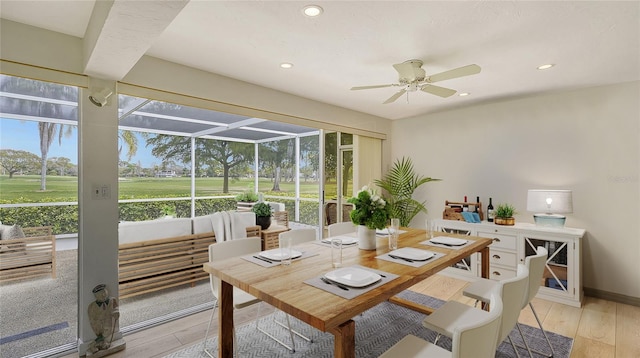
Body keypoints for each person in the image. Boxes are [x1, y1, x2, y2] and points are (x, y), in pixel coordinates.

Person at [87, 284, 120, 354]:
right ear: (96, 296)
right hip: (99, 323)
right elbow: (92, 317)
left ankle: (97, 344)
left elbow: (115, 308)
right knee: (102, 334)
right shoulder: (92, 306)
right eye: (100, 294)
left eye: (104, 293)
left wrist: (116, 312)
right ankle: (93, 345)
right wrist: (96, 324)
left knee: (107, 333)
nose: (104, 295)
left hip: (108, 321)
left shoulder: (112, 300)